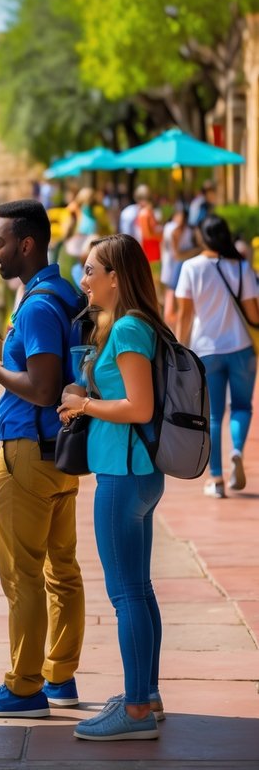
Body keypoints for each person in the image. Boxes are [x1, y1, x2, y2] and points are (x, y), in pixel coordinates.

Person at [0, 199, 85, 719]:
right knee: (62, 570)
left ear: (26, 244)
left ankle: (24, 686)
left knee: (22, 576)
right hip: (61, 452)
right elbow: (25, 361)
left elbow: (40, 385)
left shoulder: (35, 306)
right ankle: (59, 676)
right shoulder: (60, 293)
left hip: (27, 455)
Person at [58, 233, 168, 742]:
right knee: (139, 590)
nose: (83, 279)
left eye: (90, 270)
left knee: (126, 593)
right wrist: (88, 391)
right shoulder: (133, 324)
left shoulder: (127, 328)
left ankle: (138, 709)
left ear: (116, 278)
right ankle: (145, 693)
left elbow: (138, 408)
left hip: (124, 475)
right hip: (137, 473)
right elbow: (126, 394)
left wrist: (83, 406)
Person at [175, 214, 259, 498]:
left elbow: (185, 316)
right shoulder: (242, 267)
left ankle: (216, 479)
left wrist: (180, 350)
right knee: (242, 407)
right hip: (242, 348)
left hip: (206, 350)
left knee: (211, 415)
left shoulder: (191, 267)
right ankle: (236, 451)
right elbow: (253, 315)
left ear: (203, 236)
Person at [159, 200, 199, 330]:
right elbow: (177, 254)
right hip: (175, 265)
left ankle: (174, 323)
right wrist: (194, 251)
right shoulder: (173, 230)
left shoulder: (186, 230)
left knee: (176, 295)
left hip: (177, 265)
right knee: (173, 294)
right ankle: (171, 323)